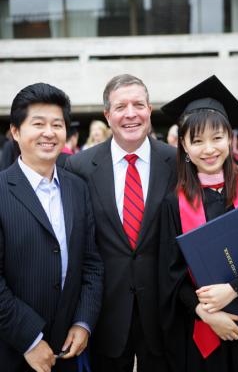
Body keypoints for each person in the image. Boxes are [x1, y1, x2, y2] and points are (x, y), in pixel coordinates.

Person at [65, 74, 177, 372]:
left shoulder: (178, 162)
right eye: (121, 106)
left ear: (150, 110)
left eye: (138, 104)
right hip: (105, 313)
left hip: (165, 311)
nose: (130, 113)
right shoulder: (78, 167)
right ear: (107, 114)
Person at [159, 75, 238, 372]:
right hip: (205, 331)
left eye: (217, 138)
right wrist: (204, 313)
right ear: (183, 145)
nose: (209, 149)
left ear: (230, 137)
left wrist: (236, 289)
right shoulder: (173, 204)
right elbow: (171, 276)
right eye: (197, 141)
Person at [0, 83, 103, 372]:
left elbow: (92, 264)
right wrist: (30, 341)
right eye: (38, 123)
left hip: (69, 349)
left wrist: (83, 323)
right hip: (13, 351)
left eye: (57, 124)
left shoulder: (78, 188)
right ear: (16, 131)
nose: (49, 132)